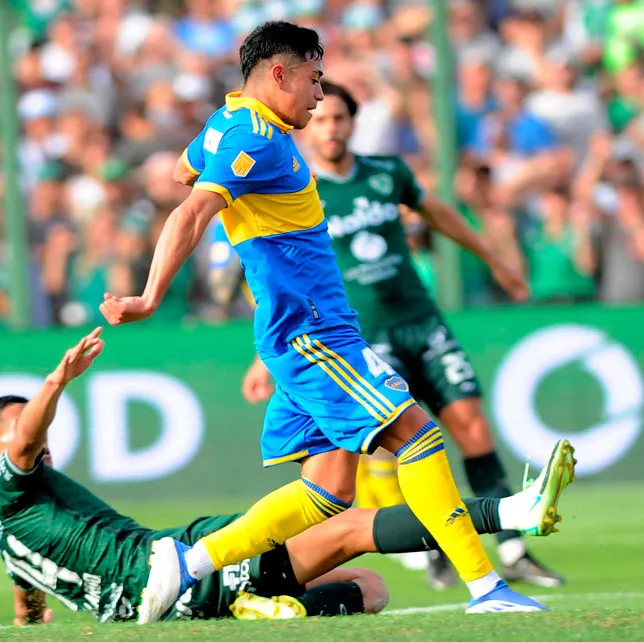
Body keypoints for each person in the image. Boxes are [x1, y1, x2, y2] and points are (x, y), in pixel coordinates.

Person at [99, 21, 569, 622]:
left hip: (302, 330)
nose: (319, 96)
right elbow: (191, 210)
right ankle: (487, 589)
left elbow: (182, 171)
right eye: (315, 79)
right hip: (312, 331)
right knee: (418, 436)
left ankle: (187, 565)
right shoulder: (256, 138)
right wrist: (149, 296)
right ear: (280, 74)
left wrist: (237, 193)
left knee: (328, 493)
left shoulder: (230, 122)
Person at [0, 329, 576, 625]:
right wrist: (56, 381)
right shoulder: (12, 485)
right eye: (20, 424)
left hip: (155, 603)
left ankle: (266, 608)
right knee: (351, 525)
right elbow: (26, 440)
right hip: (167, 570)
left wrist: (32, 623)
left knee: (370, 588)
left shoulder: (6, 532)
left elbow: (28, 603)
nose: (38, 434)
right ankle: (510, 512)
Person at [238, 81, 566, 590]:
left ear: (353, 123)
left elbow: (438, 212)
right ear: (308, 129)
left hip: (421, 319)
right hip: (359, 336)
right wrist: (264, 356)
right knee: (399, 447)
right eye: (321, 120)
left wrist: (494, 259)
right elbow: (277, 275)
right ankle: (435, 546)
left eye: (340, 118)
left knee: (472, 428)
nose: (331, 128)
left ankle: (514, 552)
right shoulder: (299, 189)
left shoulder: (386, 173)